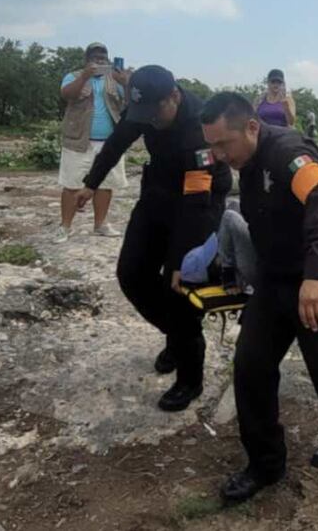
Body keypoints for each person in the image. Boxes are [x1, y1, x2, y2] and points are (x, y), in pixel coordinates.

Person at [199, 93, 318, 503]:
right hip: (274, 280)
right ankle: (265, 463)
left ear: (252, 127)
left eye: (224, 144)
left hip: (317, 277)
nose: (219, 155)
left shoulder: (290, 153)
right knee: (251, 367)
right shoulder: (246, 159)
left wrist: (316, 276)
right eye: (212, 146)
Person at [76, 65, 231, 411]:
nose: (150, 121)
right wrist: (91, 182)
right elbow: (117, 142)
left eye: (156, 113)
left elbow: (195, 201)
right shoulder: (146, 108)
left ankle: (190, 377)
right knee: (131, 274)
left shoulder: (198, 129)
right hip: (159, 191)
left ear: (174, 96)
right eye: (142, 114)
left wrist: (179, 261)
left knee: (176, 287)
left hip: (199, 199)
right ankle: (178, 338)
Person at [55, 42, 130, 243]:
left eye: (103, 57)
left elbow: (130, 103)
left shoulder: (114, 79)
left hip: (109, 143)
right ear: (87, 59)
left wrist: (125, 83)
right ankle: (65, 227)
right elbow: (67, 95)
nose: (100, 60)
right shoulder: (73, 76)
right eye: (95, 57)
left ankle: (100, 224)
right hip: (79, 141)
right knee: (71, 184)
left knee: (105, 185)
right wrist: (85, 76)